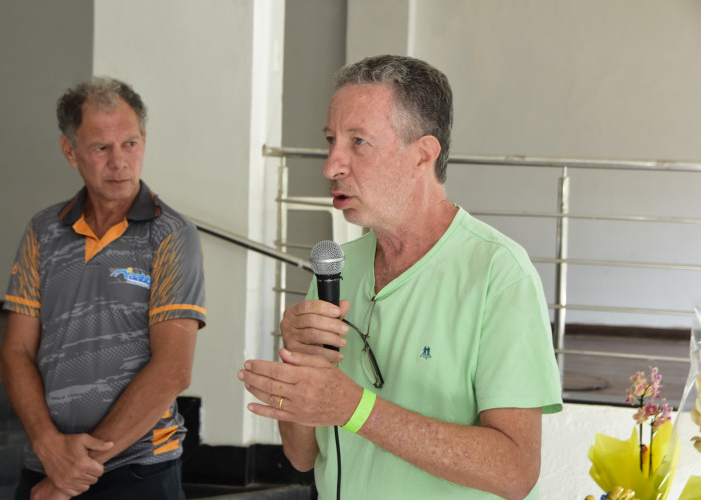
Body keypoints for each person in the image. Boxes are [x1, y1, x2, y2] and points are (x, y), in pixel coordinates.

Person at [238, 55, 562, 499]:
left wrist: (356, 409)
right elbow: (302, 456)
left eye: (358, 142)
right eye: (331, 140)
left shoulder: (498, 272)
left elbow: (515, 471)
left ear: (422, 155)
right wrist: (299, 361)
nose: (331, 166)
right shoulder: (335, 269)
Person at [0, 77, 206, 500]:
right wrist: (48, 447)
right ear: (69, 151)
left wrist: (75, 472)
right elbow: (16, 351)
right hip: (46, 464)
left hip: (140, 472)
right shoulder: (43, 230)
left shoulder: (172, 235)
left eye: (130, 144)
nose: (119, 162)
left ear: (144, 141)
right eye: (101, 148)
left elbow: (173, 370)